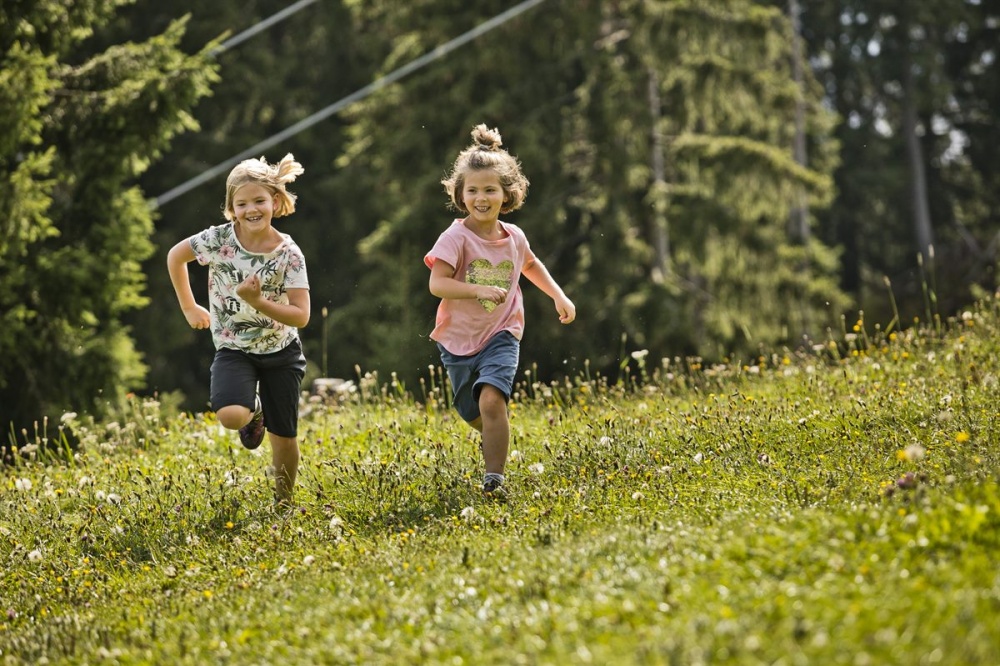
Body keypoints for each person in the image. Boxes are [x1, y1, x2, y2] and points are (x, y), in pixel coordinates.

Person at [425, 124, 576, 499]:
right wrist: (475, 289)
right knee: (471, 410)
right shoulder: (455, 237)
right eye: (472, 190)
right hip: (458, 340)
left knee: (492, 399)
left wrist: (558, 296)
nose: (481, 197)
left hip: (503, 331)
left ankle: (494, 480)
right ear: (460, 194)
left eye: (490, 190)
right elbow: (437, 284)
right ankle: (498, 432)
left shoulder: (515, 237)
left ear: (507, 194)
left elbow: (531, 265)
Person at [167, 154, 310, 507]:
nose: (251, 209)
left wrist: (258, 302)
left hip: (281, 352)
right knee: (231, 415)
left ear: (275, 201)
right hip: (234, 347)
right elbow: (175, 256)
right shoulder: (218, 240)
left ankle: (284, 504)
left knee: (284, 439)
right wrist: (189, 305)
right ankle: (254, 410)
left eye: (259, 201)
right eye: (241, 203)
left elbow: (301, 316)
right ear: (231, 208)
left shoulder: (289, 254)